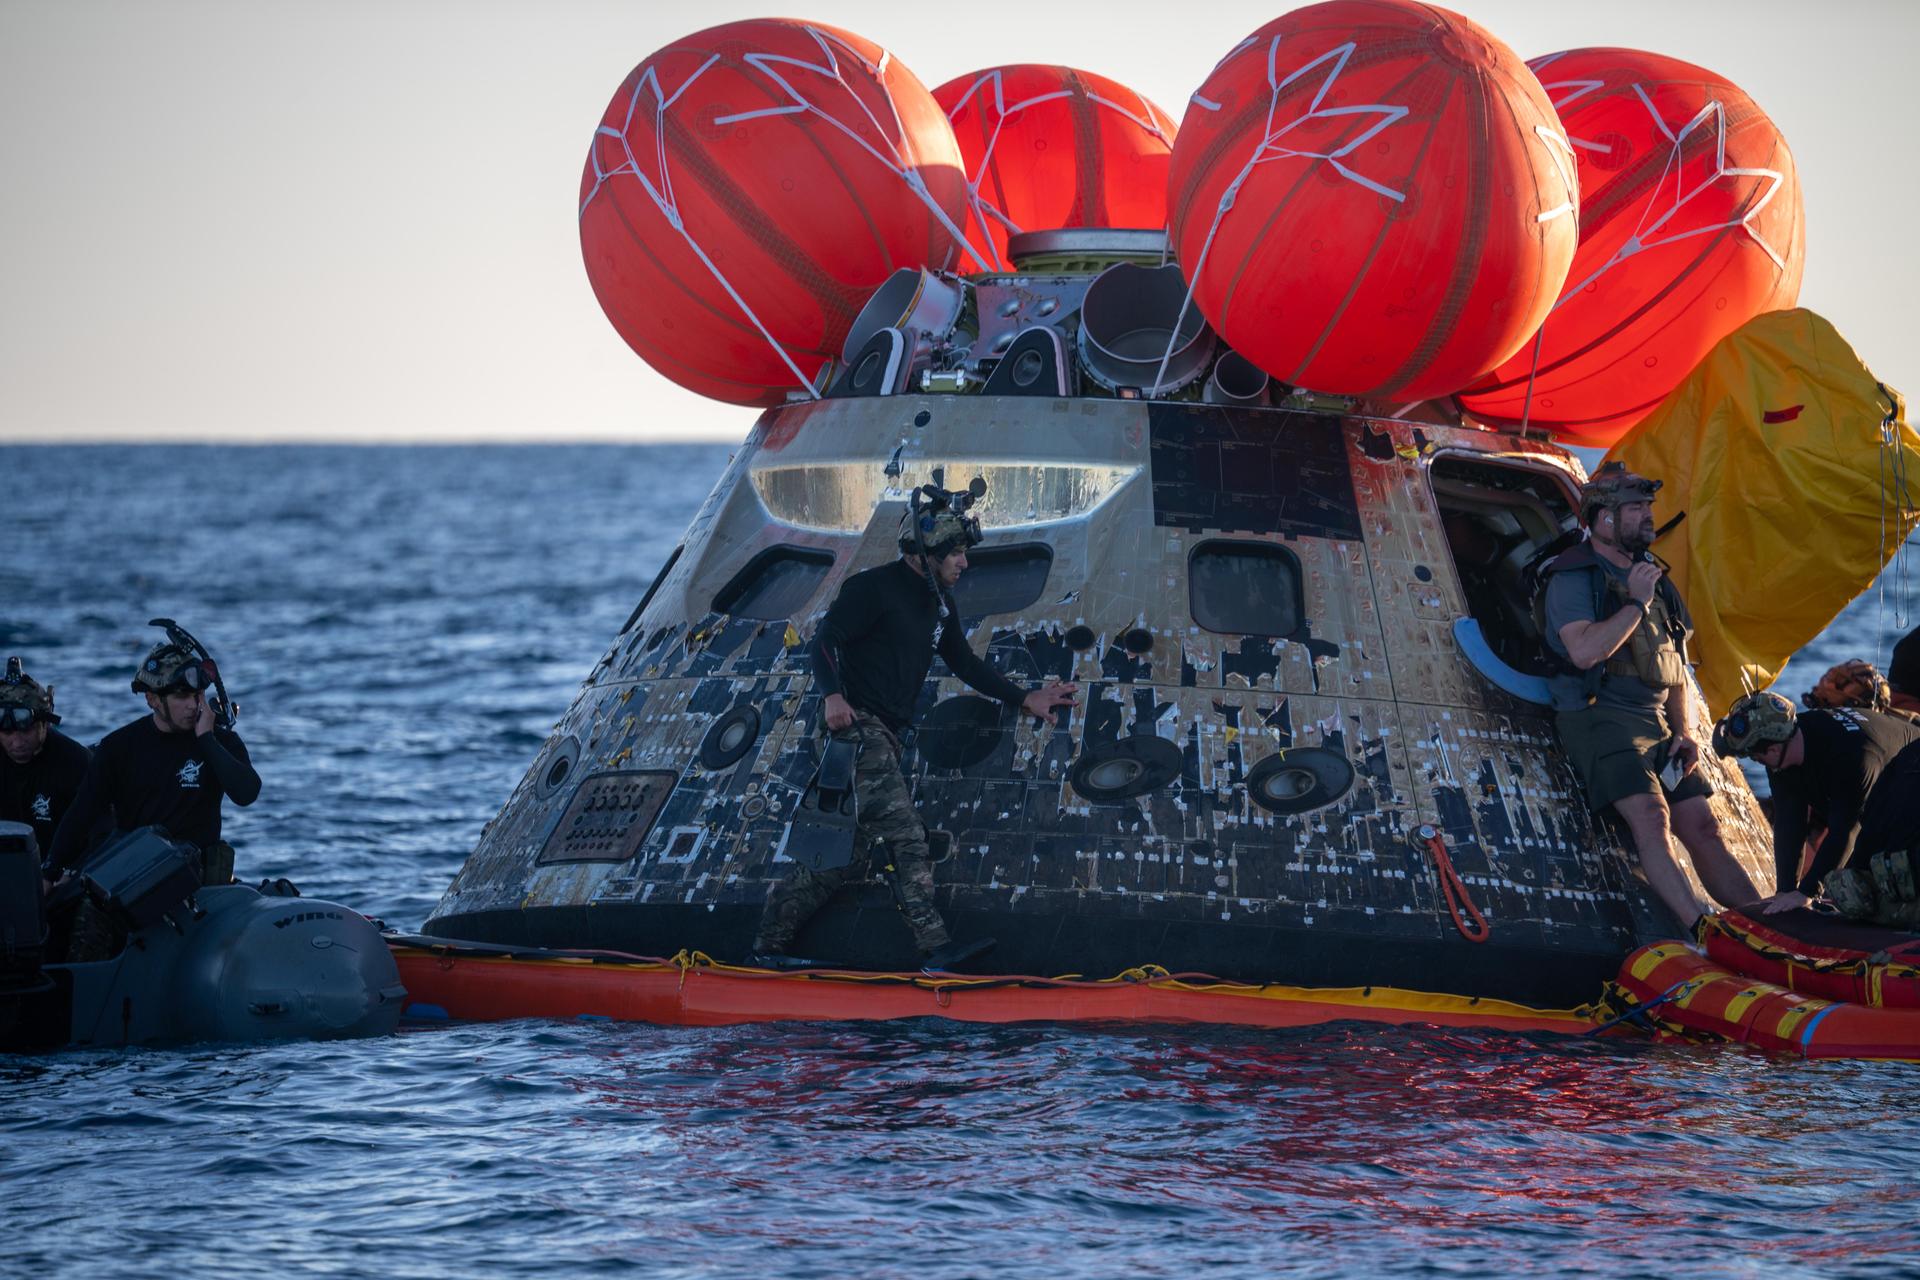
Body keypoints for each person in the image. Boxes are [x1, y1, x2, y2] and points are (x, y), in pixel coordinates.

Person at [753, 487, 1077, 972]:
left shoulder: (938, 603)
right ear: (924, 556)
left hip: (886, 735)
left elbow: (963, 661)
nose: (964, 563)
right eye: (956, 554)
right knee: (907, 835)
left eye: (965, 552)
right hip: (856, 729)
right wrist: (833, 696)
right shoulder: (872, 589)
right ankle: (936, 949)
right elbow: (824, 640)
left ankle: (765, 948)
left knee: (844, 858)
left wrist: (1024, 698)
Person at [1537, 462, 1763, 931]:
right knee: (1651, 817)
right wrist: (1635, 603)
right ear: (1602, 519)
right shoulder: (1574, 575)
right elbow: (1583, 651)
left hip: (1657, 723)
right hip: (1601, 716)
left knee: (1701, 826)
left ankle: (1767, 926)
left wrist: (1683, 732)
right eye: (1634, 508)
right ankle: (1702, 929)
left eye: (1647, 506)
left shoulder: (1656, 581)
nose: (1647, 516)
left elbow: (1677, 668)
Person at [45, 639, 261, 888]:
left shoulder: (220, 740)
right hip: (136, 881)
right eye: (182, 696)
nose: (193, 705)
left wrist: (206, 739)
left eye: (198, 695)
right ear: (153, 699)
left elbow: (247, 794)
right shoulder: (119, 747)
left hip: (200, 880)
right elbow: (81, 814)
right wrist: (49, 871)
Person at [1713, 690, 1920, 918]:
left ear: (1773, 749)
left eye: (1755, 757)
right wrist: (1785, 892)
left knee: (1861, 885)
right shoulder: (1784, 745)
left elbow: (1845, 833)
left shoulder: (1853, 757)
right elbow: (1789, 821)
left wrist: (1808, 892)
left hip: (1906, 788)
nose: (1756, 761)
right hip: (1876, 796)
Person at [0, 657, 91, 864]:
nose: (17, 742)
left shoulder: (76, 762)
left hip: (62, 876)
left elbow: (99, 833)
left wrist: (62, 875)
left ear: (45, 724)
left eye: (26, 730)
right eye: (6, 732)